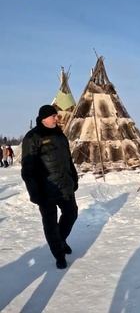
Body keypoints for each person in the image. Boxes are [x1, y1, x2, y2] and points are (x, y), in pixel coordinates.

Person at [21, 105, 79, 269]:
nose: (56, 118)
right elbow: (27, 169)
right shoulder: (33, 137)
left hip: (64, 185)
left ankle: (60, 241)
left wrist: (73, 178)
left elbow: (68, 159)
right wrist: (34, 192)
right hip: (45, 190)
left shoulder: (60, 135)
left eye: (56, 116)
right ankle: (59, 254)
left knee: (71, 214)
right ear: (44, 118)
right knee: (50, 224)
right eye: (54, 116)